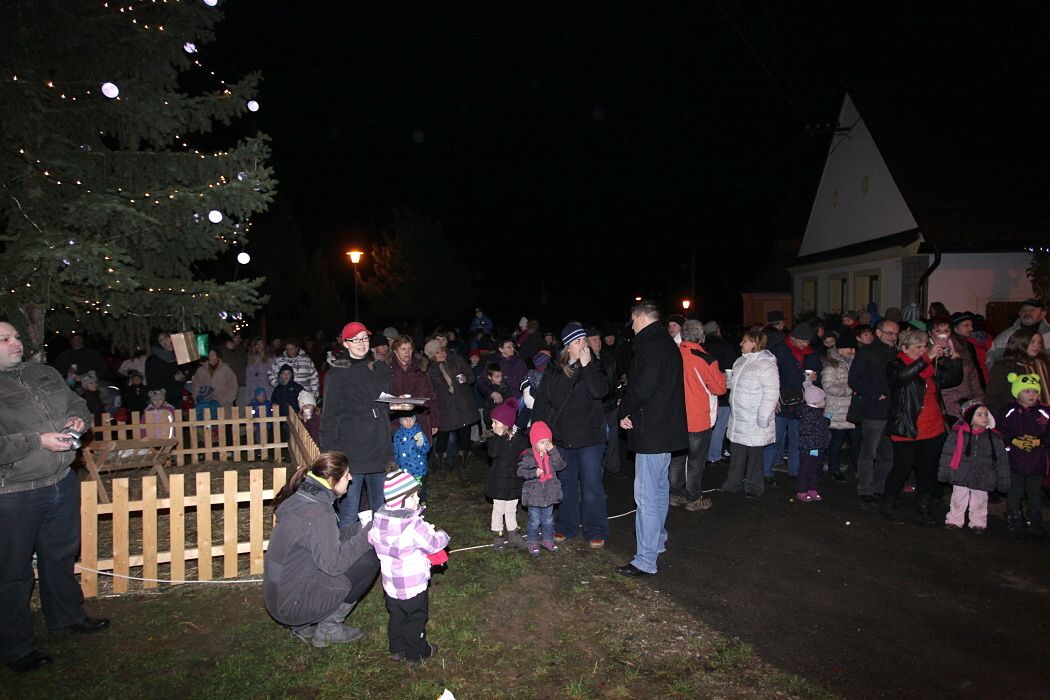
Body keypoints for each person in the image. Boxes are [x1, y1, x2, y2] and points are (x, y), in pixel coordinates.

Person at [0, 321, 109, 673]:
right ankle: (15, 646)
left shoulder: (42, 373)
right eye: (5, 339)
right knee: (13, 572)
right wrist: (37, 442)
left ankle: (66, 616)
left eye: (16, 337)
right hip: (13, 493)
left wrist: (77, 419)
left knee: (60, 557)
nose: (15, 343)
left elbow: (77, 402)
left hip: (61, 482)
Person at [263, 452, 379, 648]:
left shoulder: (303, 498)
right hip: (291, 606)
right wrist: (369, 534)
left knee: (360, 544)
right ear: (332, 479)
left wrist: (360, 528)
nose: (351, 478)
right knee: (369, 559)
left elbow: (327, 540)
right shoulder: (319, 513)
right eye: (346, 475)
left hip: (279, 598)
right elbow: (334, 565)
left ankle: (301, 625)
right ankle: (329, 629)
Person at [615, 302, 687, 577]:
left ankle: (645, 559)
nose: (631, 326)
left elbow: (643, 387)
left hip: (653, 431)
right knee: (658, 490)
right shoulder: (664, 342)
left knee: (646, 495)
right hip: (663, 429)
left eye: (633, 320)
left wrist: (623, 409)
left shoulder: (652, 345)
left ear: (642, 318)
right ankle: (657, 541)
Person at [532, 323, 612, 548]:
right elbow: (548, 400)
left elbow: (599, 391)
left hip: (590, 437)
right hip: (563, 436)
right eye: (578, 342)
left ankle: (595, 529)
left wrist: (586, 367)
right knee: (566, 483)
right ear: (568, 346)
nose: (583, 345)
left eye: (584, 340)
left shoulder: (595, 365)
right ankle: (566, 524)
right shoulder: (555, 369)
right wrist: (537, 433)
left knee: (591, 484)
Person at [879, 327, 962, 524]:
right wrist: (927, 358)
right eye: (918, 347)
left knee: (927, 469)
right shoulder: (895, 365)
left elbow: (952, 380)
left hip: (933, 427)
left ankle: (924, 506)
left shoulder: (929, 365)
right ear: (904, 348)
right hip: (908, 427)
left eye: (925, 346)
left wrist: (954, 360)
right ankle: (887, 503)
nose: (923, 350)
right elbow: (903, 377)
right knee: (903, 467)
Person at [368, 469, 450, 664]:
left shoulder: (379, 519)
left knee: (396, 616)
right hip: (413, 586)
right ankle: (416, 653)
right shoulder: (413, 525)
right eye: (413, 496)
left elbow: (371, 538)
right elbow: (432, 544)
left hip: (391, 585)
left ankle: (397, 649)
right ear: (400, 501)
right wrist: (443, 535)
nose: (418, 499)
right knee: (416, 618)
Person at [322, 322, 393, 527]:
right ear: (345, 343)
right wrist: (331, 456)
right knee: (349, 514)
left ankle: (378, 547)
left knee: (381, 511)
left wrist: (399, 404)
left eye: (364, 338)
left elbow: (384, 403)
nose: (361, 343)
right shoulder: (337, 372)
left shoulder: (378, 367)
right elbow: (329, 416)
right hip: (351, 453)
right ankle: (346, 547)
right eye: (355, 339)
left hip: (378, 449)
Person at [669, 320, 726, 511]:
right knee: (696, 460)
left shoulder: (672, 354)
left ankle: (675, 494)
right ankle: (693, 498)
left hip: (675, 417)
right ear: (702, 338)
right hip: (698, 418)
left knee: (677, 459)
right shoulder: (705, 359)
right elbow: (719, 389)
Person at [720, 329, 780, 498]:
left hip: (754, 418)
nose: (741, 343)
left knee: (754, 455)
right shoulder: (740, 361)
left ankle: (754, 487)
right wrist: (727, 380)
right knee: (737, 452)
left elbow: (771, 392)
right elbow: (735, 385)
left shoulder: (766, 365)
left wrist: (763, 416)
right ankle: (733, 483)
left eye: (745, 341)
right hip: (738, 417)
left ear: (754, 343)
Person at [848, 319, 901, 504]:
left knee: (888, 454)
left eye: (896, 334)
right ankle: (865, 488)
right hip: (874, 410)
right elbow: (854, 379)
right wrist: (875, 394)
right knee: (869, 452)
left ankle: (879, 486)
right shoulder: (867, 352)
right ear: (878, 333)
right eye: (889, 333)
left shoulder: (895, 353)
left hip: (892, 411)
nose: (893, 337)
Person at [937, 400, 1009, 534]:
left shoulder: (994, 437)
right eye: (979, 415)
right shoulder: (958, 434)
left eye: (986, 414)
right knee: (958, 498)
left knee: (980, 500)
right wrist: (944, 472)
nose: (984, 417)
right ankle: (954, 520)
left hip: (984, 473)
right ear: (969, 417)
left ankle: (978, 522)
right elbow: (948, 453)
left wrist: (1003, 479)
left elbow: (1001, 460)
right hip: (961, 472)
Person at [764, 322, 822, 486]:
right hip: (782, 402)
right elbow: (770, 376)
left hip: (802, 403)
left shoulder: (811, 353)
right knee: (773, 440)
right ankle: (766, 472)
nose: (805, 344)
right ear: (793, 338)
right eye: (802, 341)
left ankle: (794, 472)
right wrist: (773, 398)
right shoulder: (779, 350)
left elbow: (818, 372)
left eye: (807, 341)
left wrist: (815, 377)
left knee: (797, 441)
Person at [996, 373, 1050, 537]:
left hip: (1037, 460)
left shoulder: (1045, 411)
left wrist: (1039, 441)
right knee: (1015, 491)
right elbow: (998, 430)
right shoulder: (1008, 411)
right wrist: (1013, 440)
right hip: (1015, 459)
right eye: (1026, 391)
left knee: (1034, 492)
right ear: (1017, 393)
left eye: (1034, 391)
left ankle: (1035, 521)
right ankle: (1014, 518)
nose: (1031, 395)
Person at [424, 340, 477, 481]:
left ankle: (464, 466)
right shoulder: (430, 370)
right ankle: (441, 467)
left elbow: (471, 376)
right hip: (444, 408)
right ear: (431, 356)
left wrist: (466, 379)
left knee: (464, 437)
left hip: (463, 405)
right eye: (437, 352)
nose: (441, 353)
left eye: (442, 350)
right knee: (443, 438)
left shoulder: (456, 359)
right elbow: (429, 391)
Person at [485, 398, 529, 551]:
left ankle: (513, 534)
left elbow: (524, 458)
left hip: (514, 482)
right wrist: (498, 436)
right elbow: (493, 453)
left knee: (511, 509)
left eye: (495, 422)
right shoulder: (494, 439)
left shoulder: (519, 440)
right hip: (499, 482)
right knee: (498, 509)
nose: (492, 425)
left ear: (506, 423)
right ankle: (497, 534)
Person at [517, 421, 567, 556]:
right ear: (534, 442)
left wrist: (553, 451)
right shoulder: (528, 455)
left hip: (549, 494)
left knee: (548, 520)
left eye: (548, 441)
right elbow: (520, 472)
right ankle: (532, 542)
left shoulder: (552, 455)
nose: (546, 445)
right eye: (542, 442)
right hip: (534, 495)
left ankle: (547, 540)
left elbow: (561, 465)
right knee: (534, 521)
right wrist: (534, 473)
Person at [821, 332, 860, 483]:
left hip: (853, 409)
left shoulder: (855, 362)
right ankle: (834, 469)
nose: (853, 351)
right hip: (837, 410)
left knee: (856, 441)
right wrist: (851, 390)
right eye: (850, 348)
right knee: (837, 440)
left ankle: (859, 470)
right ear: (841, 348)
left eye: (854, 348)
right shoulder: (832, 364)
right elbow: (828, 387)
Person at [931, 318, 984, 423]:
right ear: (930, 333)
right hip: (943, 407)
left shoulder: (964, 347)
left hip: (966, 403)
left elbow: (975, 379)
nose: (942, 335)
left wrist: (978, 403)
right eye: (938, 331)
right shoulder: (926, 352)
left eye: (946, 331)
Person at [985, 327, 1050, 412]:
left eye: (1039, 343)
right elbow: (992, 398)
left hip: (1044, 413)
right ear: (1020, 343)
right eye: (1032, 342)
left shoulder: (1043, 364)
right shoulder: (1003, 367)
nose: (1037, 346)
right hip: (1013, 415)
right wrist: (1007, 414)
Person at [702, 321, 740, 464]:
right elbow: (731, 369)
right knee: (720, 425)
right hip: (722, 392)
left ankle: (704, 453)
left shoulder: (702, 347)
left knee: (706, 425)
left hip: (704, 392)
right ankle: (714, 455)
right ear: (718, 330)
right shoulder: (725, 346)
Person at [987, 298, 1050, 367]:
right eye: (1024, 310)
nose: (1027, 313)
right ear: (1019, 313)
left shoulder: (1048, 335)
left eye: (1032, 310)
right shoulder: (1006, 336)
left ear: (1043, 313)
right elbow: (991, 357)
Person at [796, 381, 830, 502]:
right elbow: (816, 427)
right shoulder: (810, 415)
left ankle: (812, 489)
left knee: (815, 468)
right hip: (809, 447)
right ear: (817, 402)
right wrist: (826, 420)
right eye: (823, 400)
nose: (825, 402)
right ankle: (802, 490)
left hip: (817, 446)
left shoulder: (814, 413)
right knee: (806, 469)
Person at [145, 332, 190, 407]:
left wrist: (183, 377)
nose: (166, 341)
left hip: (177, 399)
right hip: (161, 402)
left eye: (167, 338)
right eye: (161, 340)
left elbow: (188, 372)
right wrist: (172, 379)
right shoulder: (153, 360)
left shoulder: (178, 356)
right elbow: (152, 382)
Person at [392, 409, 430, 501]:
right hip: (404, 470)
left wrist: (420, 444)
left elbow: (425, 450)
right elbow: (395, 452)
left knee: (419, 491)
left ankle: (421, 507)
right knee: (406, 492)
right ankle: (408, 508)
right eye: (405, 419)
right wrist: (394, 466)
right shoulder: (397, 435)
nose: (409, 421)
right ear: (401, 421)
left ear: (415, 419)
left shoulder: (419, 433)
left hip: (418, 470)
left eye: (411, 418)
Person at [479, 362, 512, 431]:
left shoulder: (505, 388)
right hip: (491, 423)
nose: (500, 379)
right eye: (497, 377)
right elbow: (487, 408)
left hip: (502, 423)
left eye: (501, 376)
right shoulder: (488, 390)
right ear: (489, 377)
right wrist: (488, 423)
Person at [244, 338, 272, 403]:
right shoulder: (251, 357)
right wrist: (249, 384)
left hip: (266, 385)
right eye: (257, 344)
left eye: (261, 343)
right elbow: (248, 373)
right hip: (253, 386)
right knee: (254, 405)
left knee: (267, 404)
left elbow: (272, 371)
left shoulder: (270, 356)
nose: (259, 345)